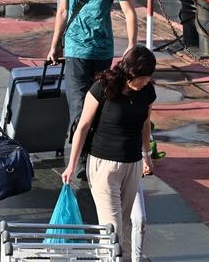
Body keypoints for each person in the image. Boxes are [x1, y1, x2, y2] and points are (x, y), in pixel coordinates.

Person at [46, 0, 138, 179]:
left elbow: (129, 12)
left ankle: (94, 154)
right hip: (75, 49)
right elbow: (63, 11)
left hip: (102, 49)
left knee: (100, 103)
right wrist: (55, 45)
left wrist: (131, 45)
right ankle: (80, 159)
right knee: (78, 105)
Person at [62, 45, 156, 261]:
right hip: (103, 166)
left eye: (148, 78)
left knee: (120, 228)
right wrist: (72, 164)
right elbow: (83, 126)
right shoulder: (102, 87)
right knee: (112, 231)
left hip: (131, 166)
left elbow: (145, 124)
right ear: (130, 72)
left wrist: (146, 155)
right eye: (142, 77)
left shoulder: (147, 92)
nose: (145, 82)